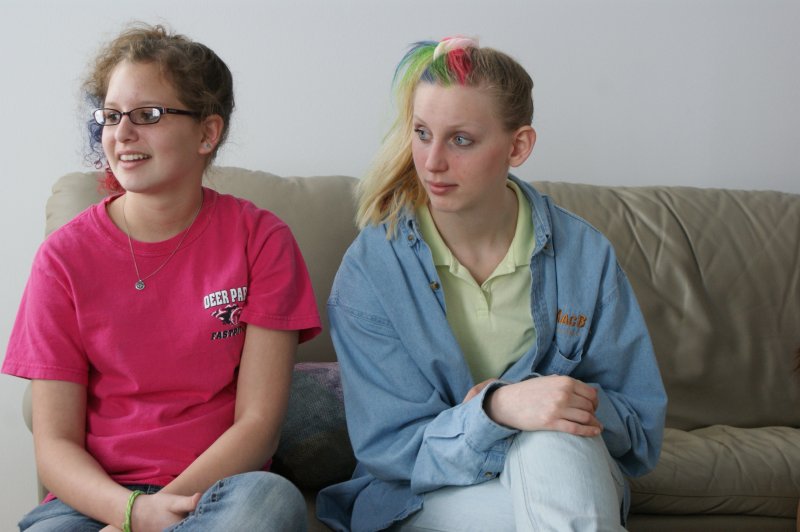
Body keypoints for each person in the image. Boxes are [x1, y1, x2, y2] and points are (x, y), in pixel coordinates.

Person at [316, 36, 667, 532]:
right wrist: (499, 408)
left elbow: (638, 428)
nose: (432, 162)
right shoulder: (372, 269)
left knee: (550, 439)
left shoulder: (585, 256)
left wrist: (545, 403)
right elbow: (390, 449)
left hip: (566, 466)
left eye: (460, 140)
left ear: (518, 146)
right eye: (422, 133)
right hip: (426, 494)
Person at [2, 23, 321, 532]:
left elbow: (258, 424)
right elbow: (54, 444)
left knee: (272, 502)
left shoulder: (262, 240)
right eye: (111, 116)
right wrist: (130, 512)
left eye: (147, 115)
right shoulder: (62, 258)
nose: (121, 134)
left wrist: (155, 515)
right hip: (95, 503)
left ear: (207, 133)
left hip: (221, 494)